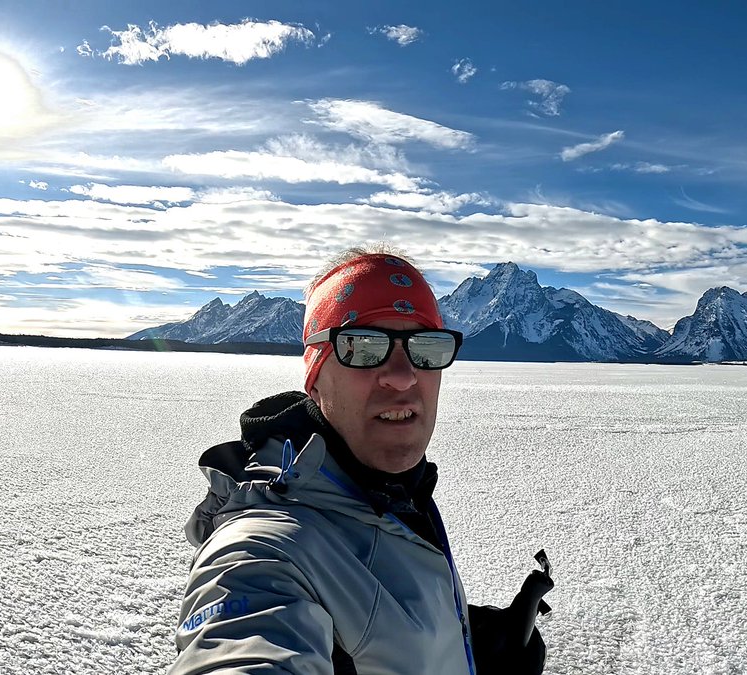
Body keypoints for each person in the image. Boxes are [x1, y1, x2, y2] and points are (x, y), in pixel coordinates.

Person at [172, 246, 549, 674]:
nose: (404, 375)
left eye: (425, 347)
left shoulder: (393, 493)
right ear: (315, 379)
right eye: (364, 346)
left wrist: (462, 646)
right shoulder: (262, 550)